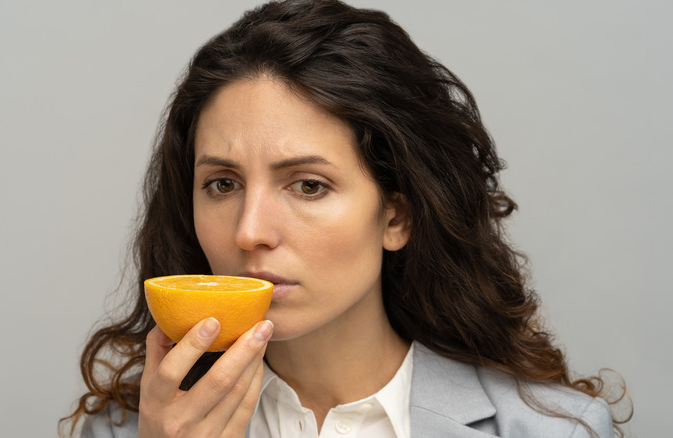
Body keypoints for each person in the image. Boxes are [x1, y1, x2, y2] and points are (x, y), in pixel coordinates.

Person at [61, 1, 631, 437]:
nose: (248, 231)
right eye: (222, 184)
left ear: (397, 216)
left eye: (309, 185)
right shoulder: (128, 430)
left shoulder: (555, 430)